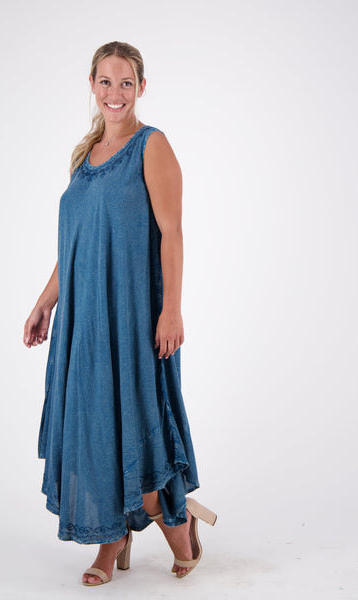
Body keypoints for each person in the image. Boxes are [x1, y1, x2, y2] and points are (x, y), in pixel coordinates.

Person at [23, 41, 217, 587]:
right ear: (92, 85)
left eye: (126, 82)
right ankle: (112, 539)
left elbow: (172, 233)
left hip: (132, 316)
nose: (115, 93)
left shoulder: (151, 145)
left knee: (138, 427)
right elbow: (75, 247)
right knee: (94, 428)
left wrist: (171, 310)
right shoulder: (83, 158)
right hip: (84, 323)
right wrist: (44, 301)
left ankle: (179, 526)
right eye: (105, 82)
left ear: (141, 87)